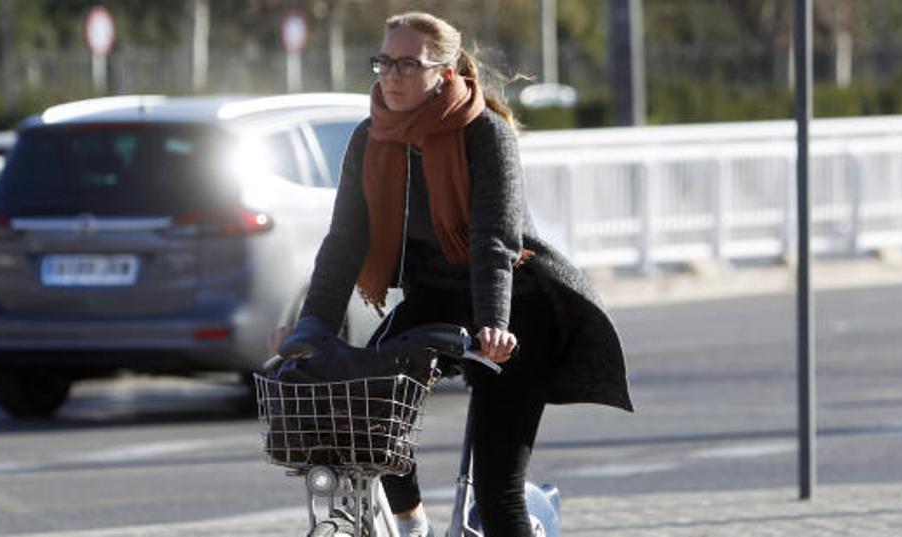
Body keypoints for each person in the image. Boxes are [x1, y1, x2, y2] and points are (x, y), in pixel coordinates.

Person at [269, 11, 633, 537]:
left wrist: (494, 324)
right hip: (437, 295)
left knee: (497, 489)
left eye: (407, 64)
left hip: (516, 302)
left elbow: (494, 241)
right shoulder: (371, 139)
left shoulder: (484, 133)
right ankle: (412, 523)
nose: (390, 75)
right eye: (384, 62)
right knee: (368, 405)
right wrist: (311, 329)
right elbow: (345, 243)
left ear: (441, 72)